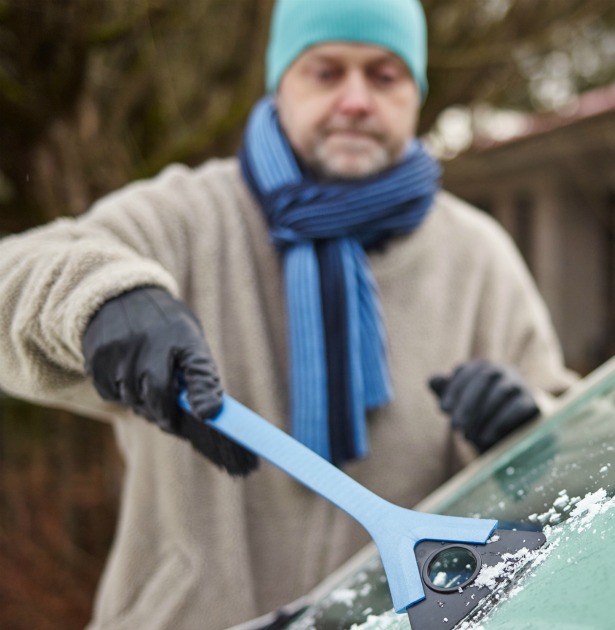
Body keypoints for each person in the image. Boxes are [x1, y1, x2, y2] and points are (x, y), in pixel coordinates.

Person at [0, 0, 576, 627]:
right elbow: (19, 269)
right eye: (326, 72)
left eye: (384, 76)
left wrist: (528, 434)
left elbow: (589, 450)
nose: (356, 100)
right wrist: (105, 298)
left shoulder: (476, 255)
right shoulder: (189, 216)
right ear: (281, 85)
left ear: (417, 94)